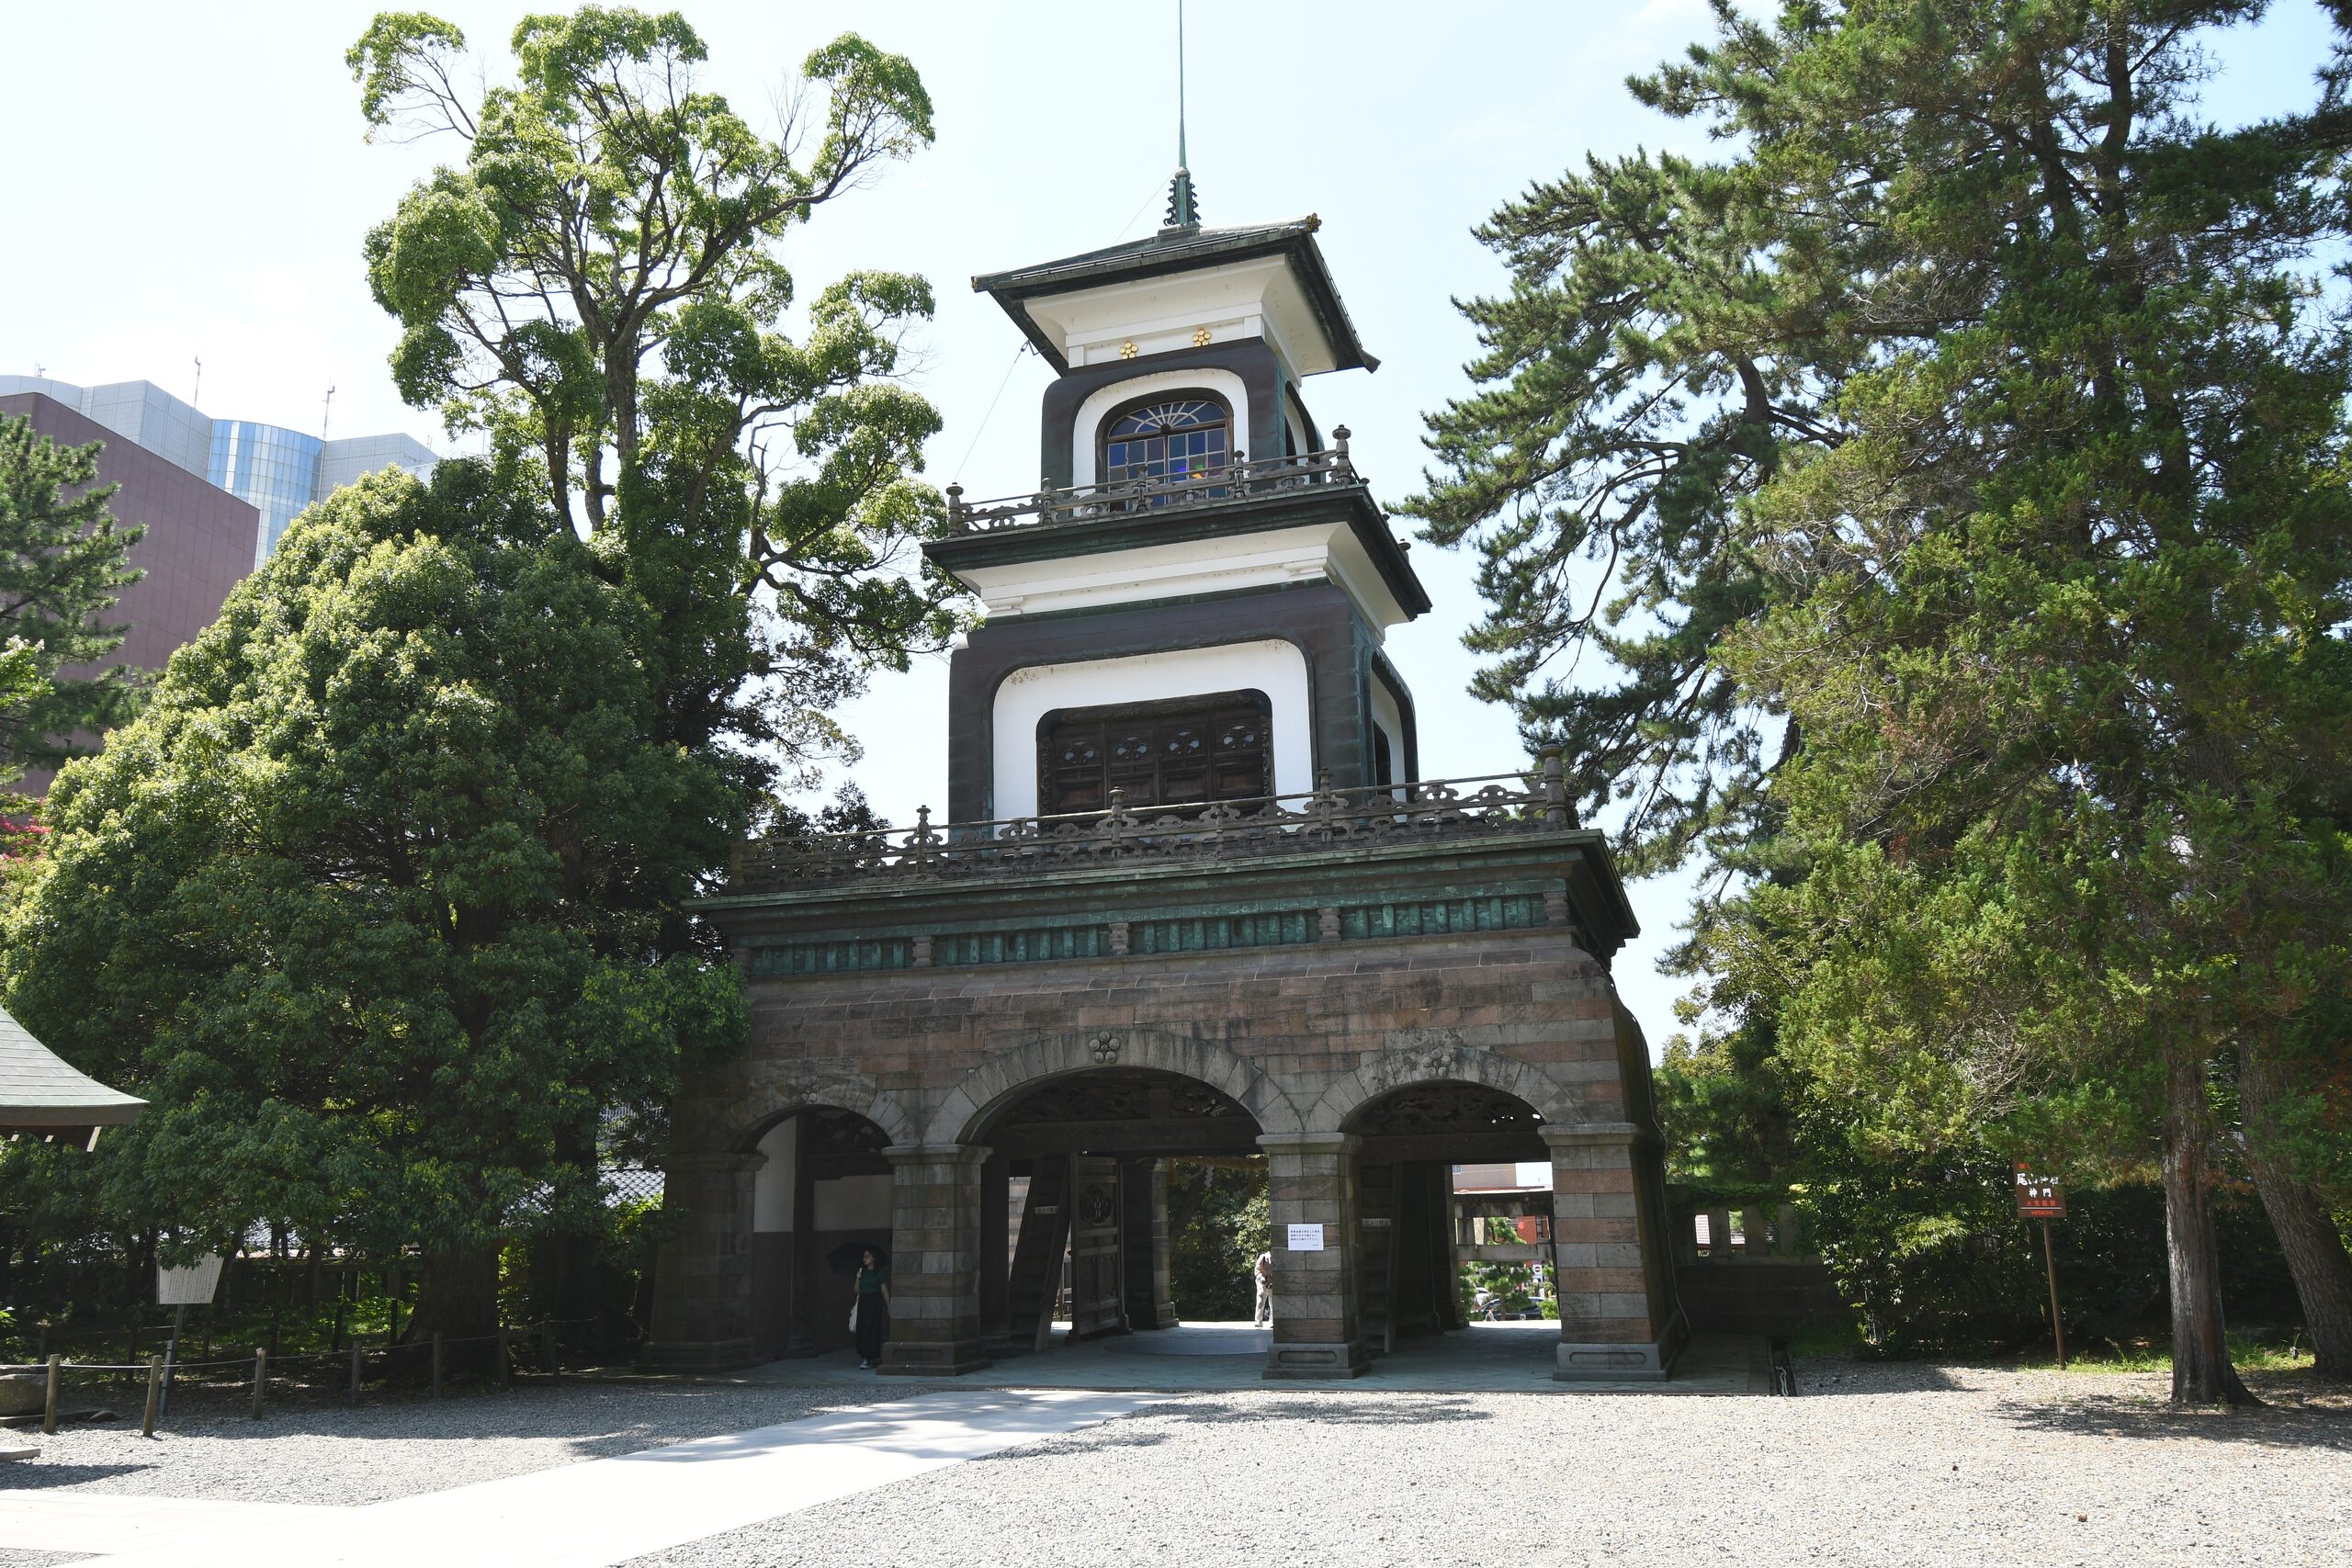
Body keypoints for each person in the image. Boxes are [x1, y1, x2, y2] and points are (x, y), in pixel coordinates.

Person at [852, 1247, 890, 1369]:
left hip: (874, 1302)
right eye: (864, 1256)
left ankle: (871, 1356)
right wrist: (858, 1278)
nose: (865, 1259)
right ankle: (865, 1356)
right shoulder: (862, 1272)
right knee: (863, 1329)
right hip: (864, 1301)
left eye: (868, 1256)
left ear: (874, 1258)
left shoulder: (879, 1272)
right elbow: (856, 1290)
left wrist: (889, 1305)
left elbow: (884, 1290)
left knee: (872, 1329)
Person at [1252, 1248, 1273, 1326]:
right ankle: (1258, 1321)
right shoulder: (1263, 1257)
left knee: (1273, 1303)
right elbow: (1257, 1269)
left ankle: (1272, 1321)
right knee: (1260, 1301)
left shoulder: (1278, 1257)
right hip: (1262, 1283)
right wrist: (1262, 1278)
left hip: (1272, 1283)